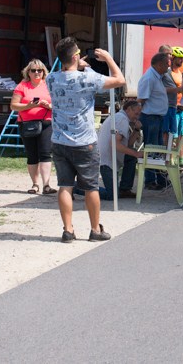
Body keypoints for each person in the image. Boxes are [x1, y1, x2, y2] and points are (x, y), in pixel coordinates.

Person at [46, 37, 126, 243]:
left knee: (65, 185)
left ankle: (68, 229)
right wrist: (107, 58)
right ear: (75, 56)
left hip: (60, 140)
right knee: (91, 187)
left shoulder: (51, 79)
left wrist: (79, 67)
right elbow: (119, 80)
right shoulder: (87, 79)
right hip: (84, 142)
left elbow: (68, 74)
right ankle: (94, 229)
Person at [10, 59, 55, 194]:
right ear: (28, 72)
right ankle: (35, 184)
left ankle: (46, 185)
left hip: (46, 122)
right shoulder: (22, 86)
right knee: (32, 155)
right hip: (26, 123)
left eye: (40, 70)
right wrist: (28, 106)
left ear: (43, 72)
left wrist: (49, 106)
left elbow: (58, 105)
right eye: (33, 70)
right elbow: (13, 105)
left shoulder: (49, 85)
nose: (37, 73)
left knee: (46, 153)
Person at [96, 98, 143, 200]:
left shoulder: (121, 117)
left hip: (108, 158)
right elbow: (114, 144)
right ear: (128, 110)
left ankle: (125, 189)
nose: (137, 117)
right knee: (112, 195)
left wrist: (136, 130)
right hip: (106, 162)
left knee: (131, 158)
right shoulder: (122, 119)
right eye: (136, 114)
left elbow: (128, 145)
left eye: (139, 114)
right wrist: (136, 154)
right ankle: (78, 186)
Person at [137, 52, 172, 190]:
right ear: (158, 64)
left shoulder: (157, 77)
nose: (168, 66)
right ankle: (150, 180)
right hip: (150, 117)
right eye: (166, 63)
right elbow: (142, 100)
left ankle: (160, 178)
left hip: (156, 117)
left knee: (157, 149)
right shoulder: (149, 78)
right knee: (151, 149)